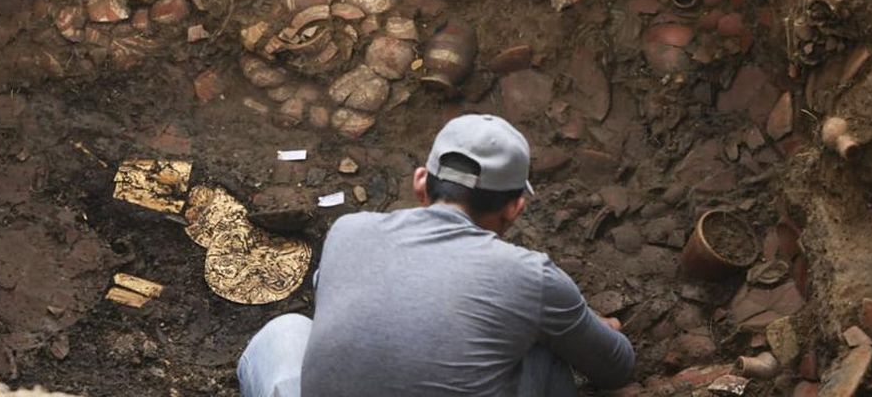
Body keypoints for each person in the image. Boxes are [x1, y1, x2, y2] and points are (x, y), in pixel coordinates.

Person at [237, 113, 635, 397]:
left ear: (421, 181)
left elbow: (337, 309)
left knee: (285, 332)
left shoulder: (348, 231)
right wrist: (587, 325)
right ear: (514, 208)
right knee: (541, 343)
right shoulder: (532, 279)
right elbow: (616, 368)